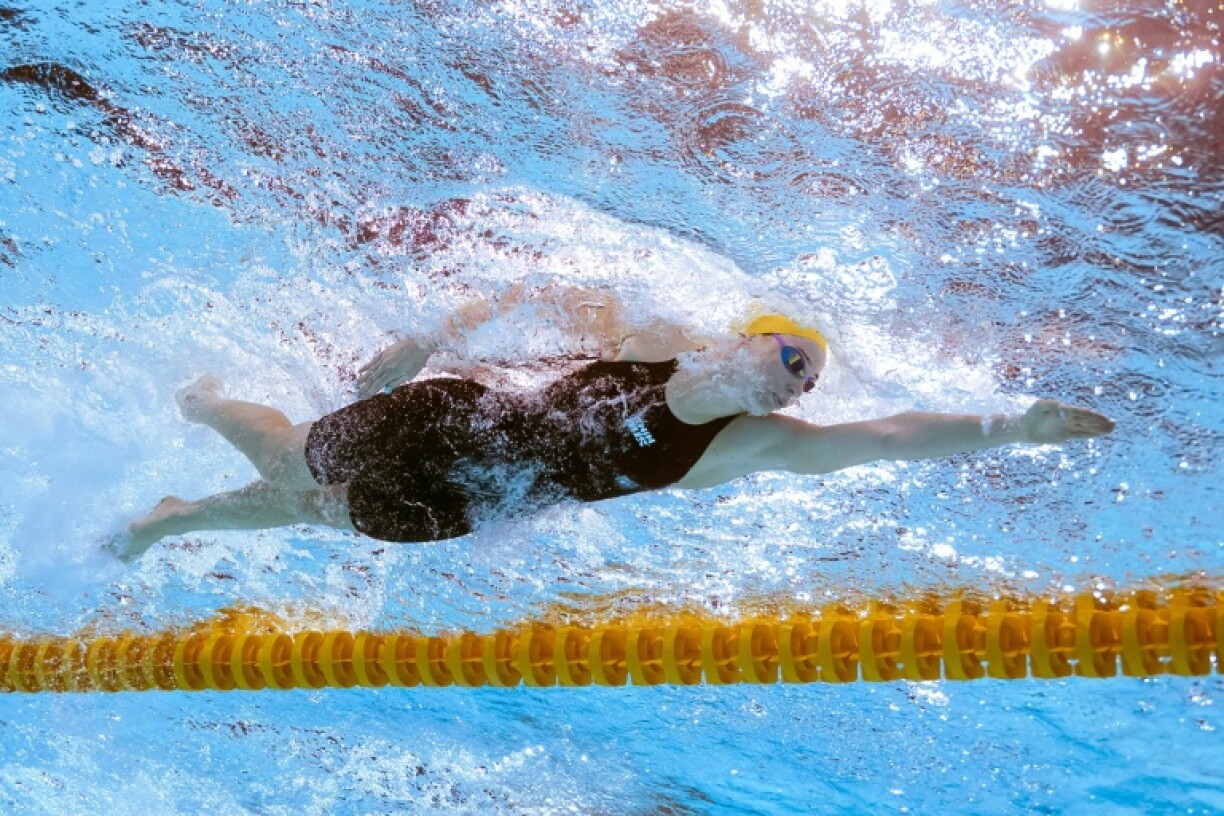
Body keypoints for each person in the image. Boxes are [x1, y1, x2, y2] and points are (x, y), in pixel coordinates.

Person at [120, 296, 1115, 560]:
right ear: (750, 340)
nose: (795, 389)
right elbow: (533, 299)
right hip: (451, 416)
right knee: (288, 460)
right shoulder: (660, 341)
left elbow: (889, 437)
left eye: (806, 384)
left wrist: (1009, 426)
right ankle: (204, 403)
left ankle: (180, 515)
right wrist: (426, 338)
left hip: (482, 501)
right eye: (789, 363)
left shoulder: (748, 448)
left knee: (315, 513)